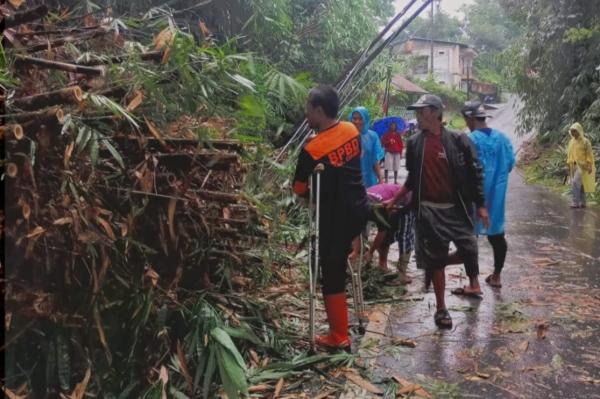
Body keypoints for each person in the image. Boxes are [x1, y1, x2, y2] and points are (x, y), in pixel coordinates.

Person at [385, 94, 488, 328]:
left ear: (433, 112)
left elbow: (476, 173)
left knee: (470, 250)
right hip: (428, 212)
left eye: (421, 112)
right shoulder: (414, 144)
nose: (418, 117)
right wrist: (395, 201)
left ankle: (434, 264)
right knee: (437, 258)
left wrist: (481, 205)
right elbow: (412, 179)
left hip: (455, 209)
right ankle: (442, 309)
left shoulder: (458, 140)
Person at [293, 85, 369, 349]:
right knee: (342, 263)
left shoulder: (312, 149)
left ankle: (339, 336)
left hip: (335, 218)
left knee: (331, 273)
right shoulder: (351, 130)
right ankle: (358, 316)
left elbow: (299, 188)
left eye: (308, 109)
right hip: (359, 209)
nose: (306, 114)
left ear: (319, 110)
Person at [462, 102, 515, 288]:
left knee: (470, 238)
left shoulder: (469, 140)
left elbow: (464, 171)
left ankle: (473, 282)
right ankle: (497, 276)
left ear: (470, 118)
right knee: (497, 234)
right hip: (497, 196)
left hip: (474, 196)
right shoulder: (503, 139)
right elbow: (509, 165)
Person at [365, 183, 415, 285]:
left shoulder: (375, 208)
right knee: (387, 236)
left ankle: (402, 274)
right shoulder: (359, 204)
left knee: (404, 237)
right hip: (389, 205)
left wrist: (370, 251)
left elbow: (382, 231)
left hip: (405, 203)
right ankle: (382, 266)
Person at [349, 107, 385, 188]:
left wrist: (380, 178)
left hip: (369, 179)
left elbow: (375, 160)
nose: (357, 121)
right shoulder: (346, 136)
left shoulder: (373, 136)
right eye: (354, 118)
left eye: (360, 118)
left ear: (365, 119)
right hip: (351, 180)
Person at [566, 122, 596, 208]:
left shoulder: (585, 141)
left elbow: (589, 154)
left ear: (579, 131)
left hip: (583, 166)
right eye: (571, 131)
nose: (572, 133)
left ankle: (575, 202)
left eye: (574, 131)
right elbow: (569, 154)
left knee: (575, 182)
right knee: (581, 184)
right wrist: (568, 164)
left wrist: (590, 165)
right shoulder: (571, 142)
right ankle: (583, 202)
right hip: (574, 166)